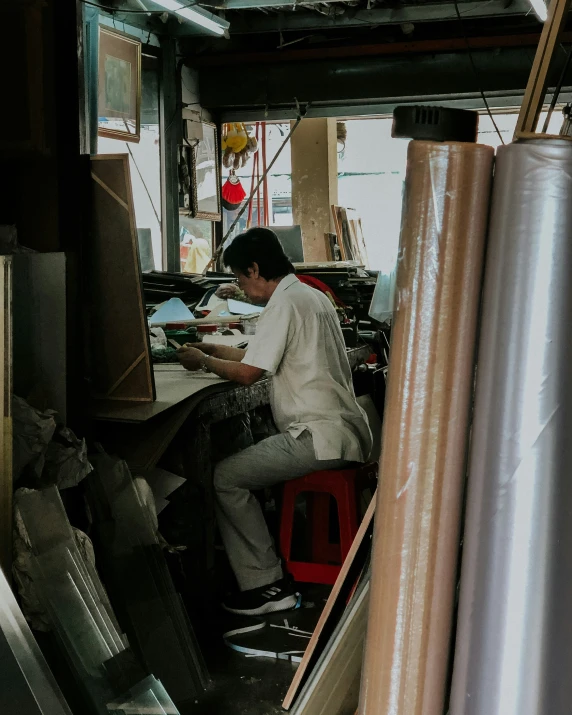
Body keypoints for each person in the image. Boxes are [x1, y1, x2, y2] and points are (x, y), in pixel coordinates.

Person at [177, 227, 372, 616]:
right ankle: (265, 570)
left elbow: (250, 374)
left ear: (254, 268)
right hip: (342, 429)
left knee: (225, 477)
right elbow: (255, 355)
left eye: (238, 276)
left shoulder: (285, 304)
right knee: (241, 463)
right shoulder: (308, 296)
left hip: (318, 436)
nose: (239, 286)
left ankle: (265, 585)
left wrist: (203, 362)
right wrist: (212, 347)